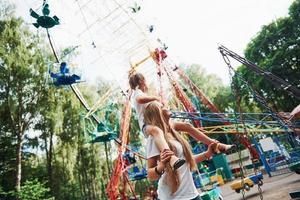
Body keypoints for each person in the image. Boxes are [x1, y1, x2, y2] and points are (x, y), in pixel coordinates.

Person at [144, 101, 217, 200]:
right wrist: (161, 165)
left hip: (191, 193)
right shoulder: (154, 139)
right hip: (172, 197)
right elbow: (151, 175)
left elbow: (185, 162)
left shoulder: (174, 133)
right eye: (162, 107)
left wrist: (207, 154)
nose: (166, 107)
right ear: (158, 113)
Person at [129, 73, 185, 171]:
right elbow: (139, 99)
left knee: (186, 126)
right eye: (145, 80)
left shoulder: (144, 95)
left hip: (155, 123)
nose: (146, 83)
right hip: (146, 126)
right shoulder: (137, 92)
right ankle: (172, 159)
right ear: (141, 81)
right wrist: (155, 98)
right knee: (157, 131)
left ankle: (212, 143)